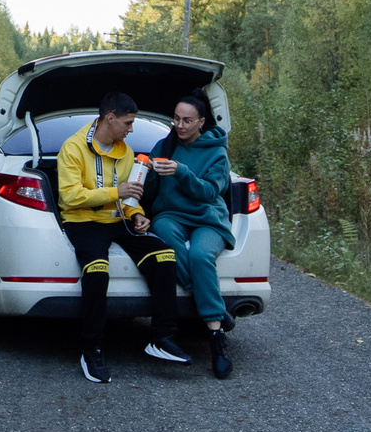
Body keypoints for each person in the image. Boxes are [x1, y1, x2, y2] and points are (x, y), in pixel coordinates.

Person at [55, 91, 189, 382]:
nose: (131, 129)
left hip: (117, 220)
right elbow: (69, 196)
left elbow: (130, 198)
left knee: (164, 256)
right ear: (110, 118)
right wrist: (118, 193)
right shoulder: (73, 148)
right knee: (98, 270)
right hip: (83, 221)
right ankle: (92, 350)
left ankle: (162, 338)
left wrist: (137, 215)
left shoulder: (125, 152)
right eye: (127, 123)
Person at [143, 93, 238, 378]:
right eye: (175, 118)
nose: (179, 125)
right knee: (164, 236)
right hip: (171, 215)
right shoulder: (165, 145)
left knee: (199, 255)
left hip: (208, 217)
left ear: (201, 122)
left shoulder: (216, 152)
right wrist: (145, 174)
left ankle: (216, 341)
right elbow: (151, 192)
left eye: (186, 120)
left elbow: (209, 193)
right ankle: (214, 308)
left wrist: (181, 172)